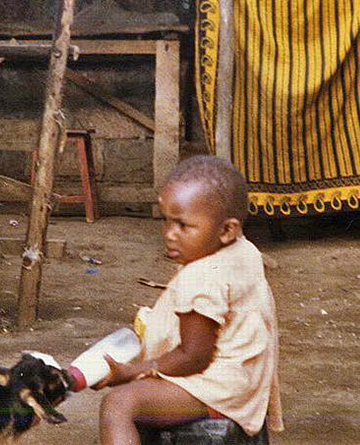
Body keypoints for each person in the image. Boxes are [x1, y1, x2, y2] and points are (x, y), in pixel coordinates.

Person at [94, 154, 283, 445]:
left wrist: (133, 371)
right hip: (245, 378)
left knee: (119, 405)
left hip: (216, 386)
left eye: (183, 225)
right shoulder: (244, 252)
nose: (170, 234)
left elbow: (194, 357)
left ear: (226, 230)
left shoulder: (201, 277)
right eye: (167, 221)